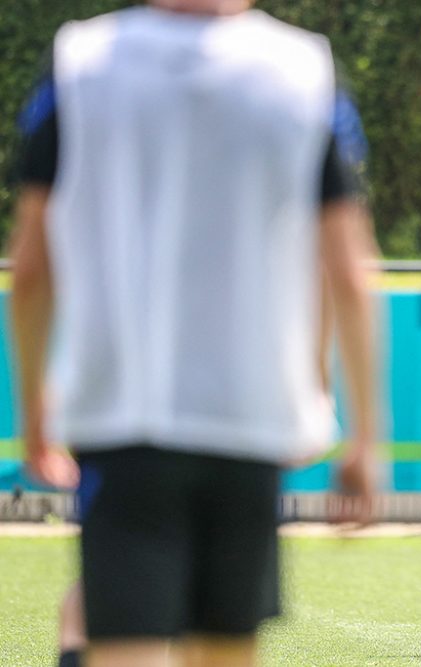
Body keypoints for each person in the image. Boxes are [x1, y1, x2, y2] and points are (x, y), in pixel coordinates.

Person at [9, 1, 380, 665]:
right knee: (225, 649)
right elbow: (348, 269)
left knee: (117, 635)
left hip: (123, 415)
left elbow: (32, 266)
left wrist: (35, 407)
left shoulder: (79, 63)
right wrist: (361, 435)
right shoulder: (305, 71)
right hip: (247, 419)